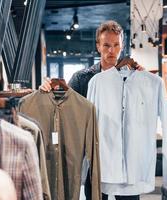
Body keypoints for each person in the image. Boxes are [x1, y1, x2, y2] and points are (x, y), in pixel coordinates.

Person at [40, 20, 143, 200]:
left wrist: (142, 83)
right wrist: (47, 88)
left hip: (126, 160)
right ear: (98, 46)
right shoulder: (82, 79)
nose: (111, 50)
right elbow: (64, 106)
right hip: (95, 160)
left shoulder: (134, 79)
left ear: (122, 45)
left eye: (116, 45)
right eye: (106, 45)